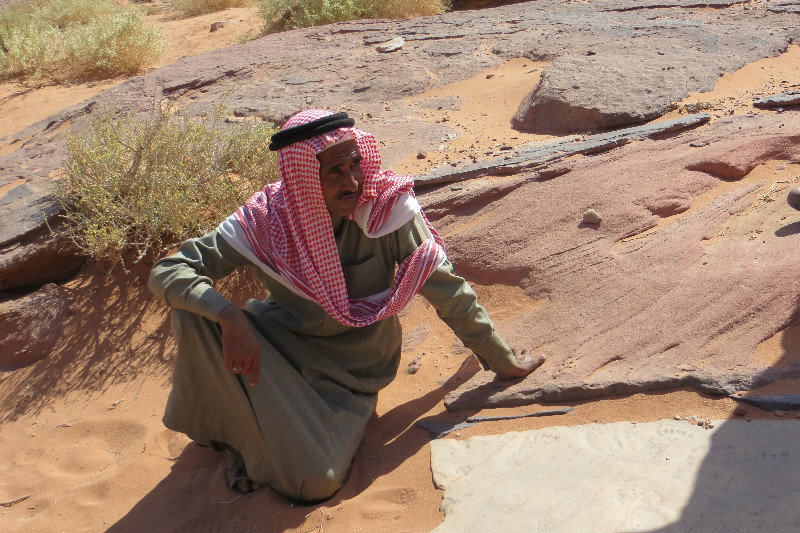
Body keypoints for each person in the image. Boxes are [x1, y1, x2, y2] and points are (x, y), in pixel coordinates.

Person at [149, 109, 545, 502]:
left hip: (353, 368)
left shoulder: (385, 209)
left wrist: (500, 359)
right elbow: (170, 269)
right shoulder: (265, 220)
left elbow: (446, 288)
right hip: (283, 347)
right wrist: (229, 314)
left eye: (356, 164)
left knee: (315, 483)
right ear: (303, 179)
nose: (353, 181)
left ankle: (267, 448)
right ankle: (239, 445)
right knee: (192, 310)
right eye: (334, 172)